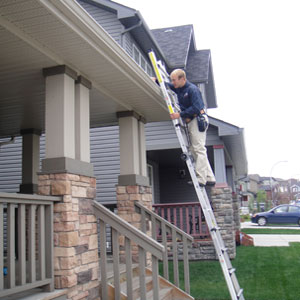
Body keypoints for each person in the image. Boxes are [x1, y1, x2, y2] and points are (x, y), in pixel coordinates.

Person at [167, 69, 216, 187]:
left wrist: (180, 115)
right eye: (172, 80)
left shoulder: (192, 90)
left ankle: (201, 179)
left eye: (174, 80)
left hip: (198, 119)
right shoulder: (179, 88)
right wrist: (158, 81)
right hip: (192, 121)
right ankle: (209, 177)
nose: (173, 82)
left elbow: (197, 107)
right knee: (195, 149)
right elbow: (169, 86)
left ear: (182, 79)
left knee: (199, 149)